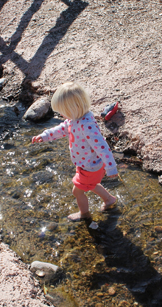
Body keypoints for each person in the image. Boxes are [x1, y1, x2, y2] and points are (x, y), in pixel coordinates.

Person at [32, 82, 118, 221]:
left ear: (74, 108)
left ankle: (84, 214)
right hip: (88, 164)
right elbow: (61, 129)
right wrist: (45, 135)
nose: (60, 114)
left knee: (77, 191)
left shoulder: (87, 126)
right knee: (92, 185)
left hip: (90, 167)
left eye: (62, 111)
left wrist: (111, 167)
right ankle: (109, 199)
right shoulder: (74, 119)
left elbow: (102, 146)